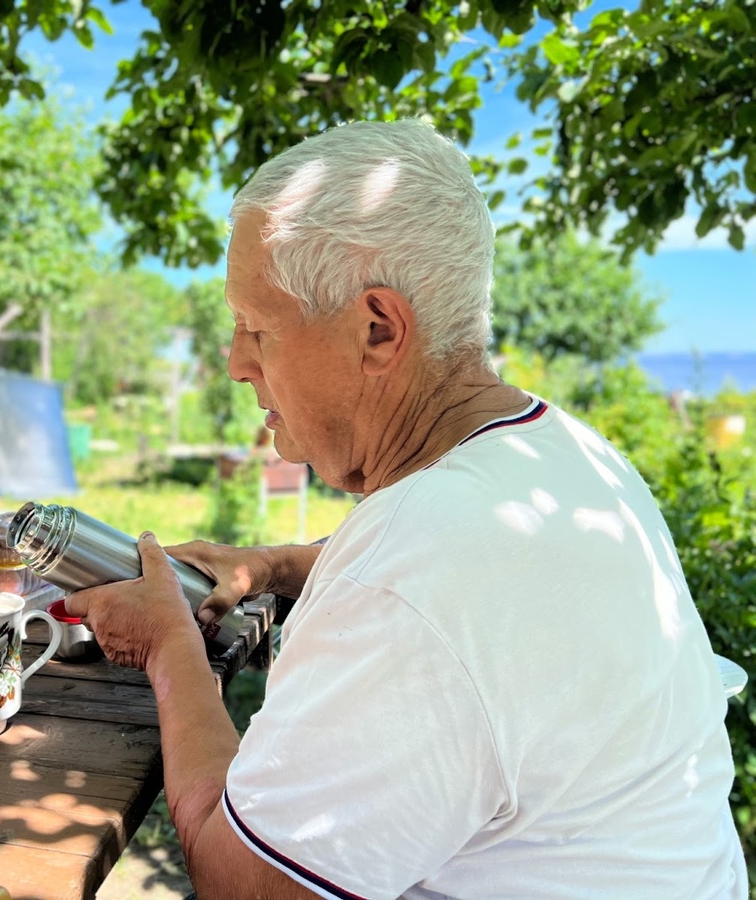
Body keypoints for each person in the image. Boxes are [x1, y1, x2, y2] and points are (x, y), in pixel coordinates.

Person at [64, 119, 747, 899]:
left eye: (256, 328)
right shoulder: (565, 457)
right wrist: (275, 565)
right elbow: (458, 585)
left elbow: (247, 884)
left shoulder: (416, 575)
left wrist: (170, 647)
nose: (234, 364)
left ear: (379, 330)